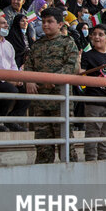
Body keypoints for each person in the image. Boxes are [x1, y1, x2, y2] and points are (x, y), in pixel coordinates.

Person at [24, 8, 79, 163]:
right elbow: (28, 66)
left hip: (61, 100)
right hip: (40, 101)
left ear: (60, 24)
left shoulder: (67, 43)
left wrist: (54, 78)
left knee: (66, 145)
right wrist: (29, 80)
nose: (46, 25)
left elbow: (72, 66)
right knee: (42, 146)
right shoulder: (37, 45)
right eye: (43, 22)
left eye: (50, 22)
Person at [0, 14, 29, 131]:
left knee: (28, 91)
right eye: (3, 23)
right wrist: (9, 79)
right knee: (10, 89)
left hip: (10, 79)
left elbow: (13, 65)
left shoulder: (9, 45)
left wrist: (17, 78)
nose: (6, 25)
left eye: (6, 23)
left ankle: (12, 120)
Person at [81, 24, 106, 161]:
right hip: (94, 100)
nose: (96, 37)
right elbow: (81, 73)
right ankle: (91, 160)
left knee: (105, 134)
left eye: (100, 35)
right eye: (94, 34)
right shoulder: (88, 55)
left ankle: (103, 159)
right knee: (93, 132)